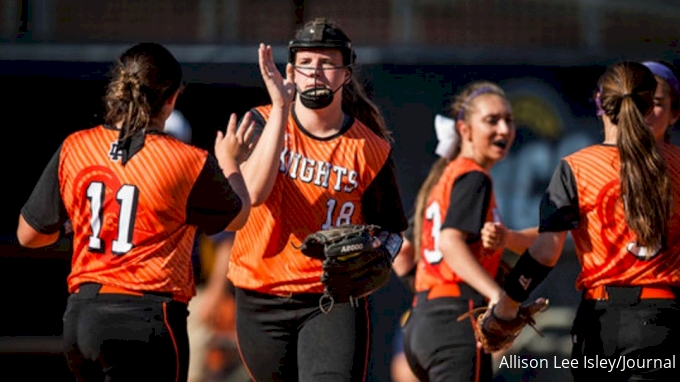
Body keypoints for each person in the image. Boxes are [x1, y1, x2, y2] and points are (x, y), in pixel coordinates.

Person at [16, 42, 253, 382]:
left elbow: (29, 235)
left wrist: (76, 224)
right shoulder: (186, 159)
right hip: (145, 316)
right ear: (171, 98)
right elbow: (239, 215)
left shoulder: (76, 145)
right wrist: (231, 159)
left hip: (82, 316)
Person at [224, 17, 408, 382]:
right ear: (290, 71)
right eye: (306, 64)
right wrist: (280, 107)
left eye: (327, 63)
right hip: (260, 294)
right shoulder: (260, 121)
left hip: (331, 299)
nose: (316, 73)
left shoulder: (370, 150)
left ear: (346, 74)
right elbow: (254, 195)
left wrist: (380, 255)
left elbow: (392, 230)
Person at [492, 61, 680, 381]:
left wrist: (505, 308)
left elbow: (544, 252)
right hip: (664, 320)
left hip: (602, 321)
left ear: (598, 103)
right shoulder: (676, 164)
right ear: (649, 106)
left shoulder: (577, 167)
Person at [401, 80, 517, 382]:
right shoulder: (474, 177)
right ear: (464, 129)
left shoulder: (443, 179)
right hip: (457, 318)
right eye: (492, 120)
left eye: (508, 120)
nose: (504, 129)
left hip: (422, 321)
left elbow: (402, 255)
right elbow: (450, 242)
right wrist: (496, 296)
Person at [641, 61, 680, 143]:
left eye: (656, 103)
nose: (646, 110)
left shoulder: (677, 155)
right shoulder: (607, 154)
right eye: (637, 101)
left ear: (674, 113)